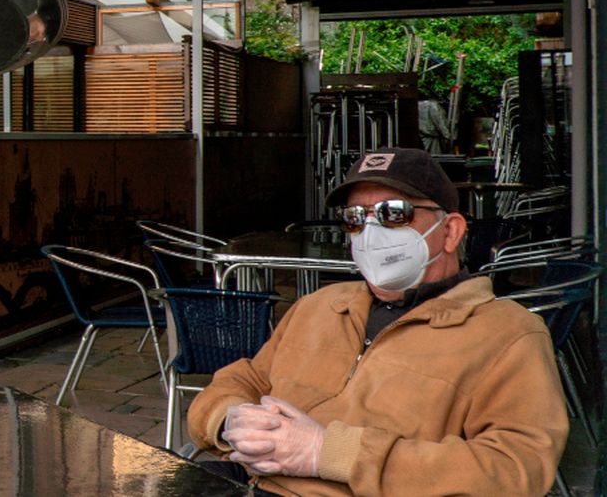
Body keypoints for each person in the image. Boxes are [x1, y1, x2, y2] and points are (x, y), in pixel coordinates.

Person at [186, 147, 568, 497]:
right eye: (355, 218)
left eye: (394, 212)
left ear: (450, 230)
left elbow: (517, 470)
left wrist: (328, 452)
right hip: (238, 480)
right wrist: (229, 420)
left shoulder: (507, 334)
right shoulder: (319, 306)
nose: (371, 231)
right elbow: (243, 380)